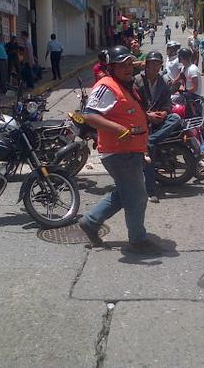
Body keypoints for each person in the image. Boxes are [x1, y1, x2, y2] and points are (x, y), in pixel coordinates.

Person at [78, 45, 162, 255]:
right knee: (138, 196)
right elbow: (88, 115)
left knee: (126, 192)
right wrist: (118, 129)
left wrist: (148, 117)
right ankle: (138, 240)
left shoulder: (124, 84)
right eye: (121, 65)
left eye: (129, 64)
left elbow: (127, 110)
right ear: (111, 67)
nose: (127, 68)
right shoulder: (107, 86)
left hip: (130, 149)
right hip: (119, 152)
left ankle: (90, 222)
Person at [134, 51, 182, 203]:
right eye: (152, 63)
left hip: (158, 121)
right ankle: (151, 190)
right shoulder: (136, 81)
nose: (155, 66)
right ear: (146, 65)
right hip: (141, 120)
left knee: (176, 117)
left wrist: (164, 112)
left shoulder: (163, 81)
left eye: (157, 64)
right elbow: (132, 105)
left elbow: (168, 102)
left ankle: (151, 140)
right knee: (150, 154)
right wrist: (147, 116)